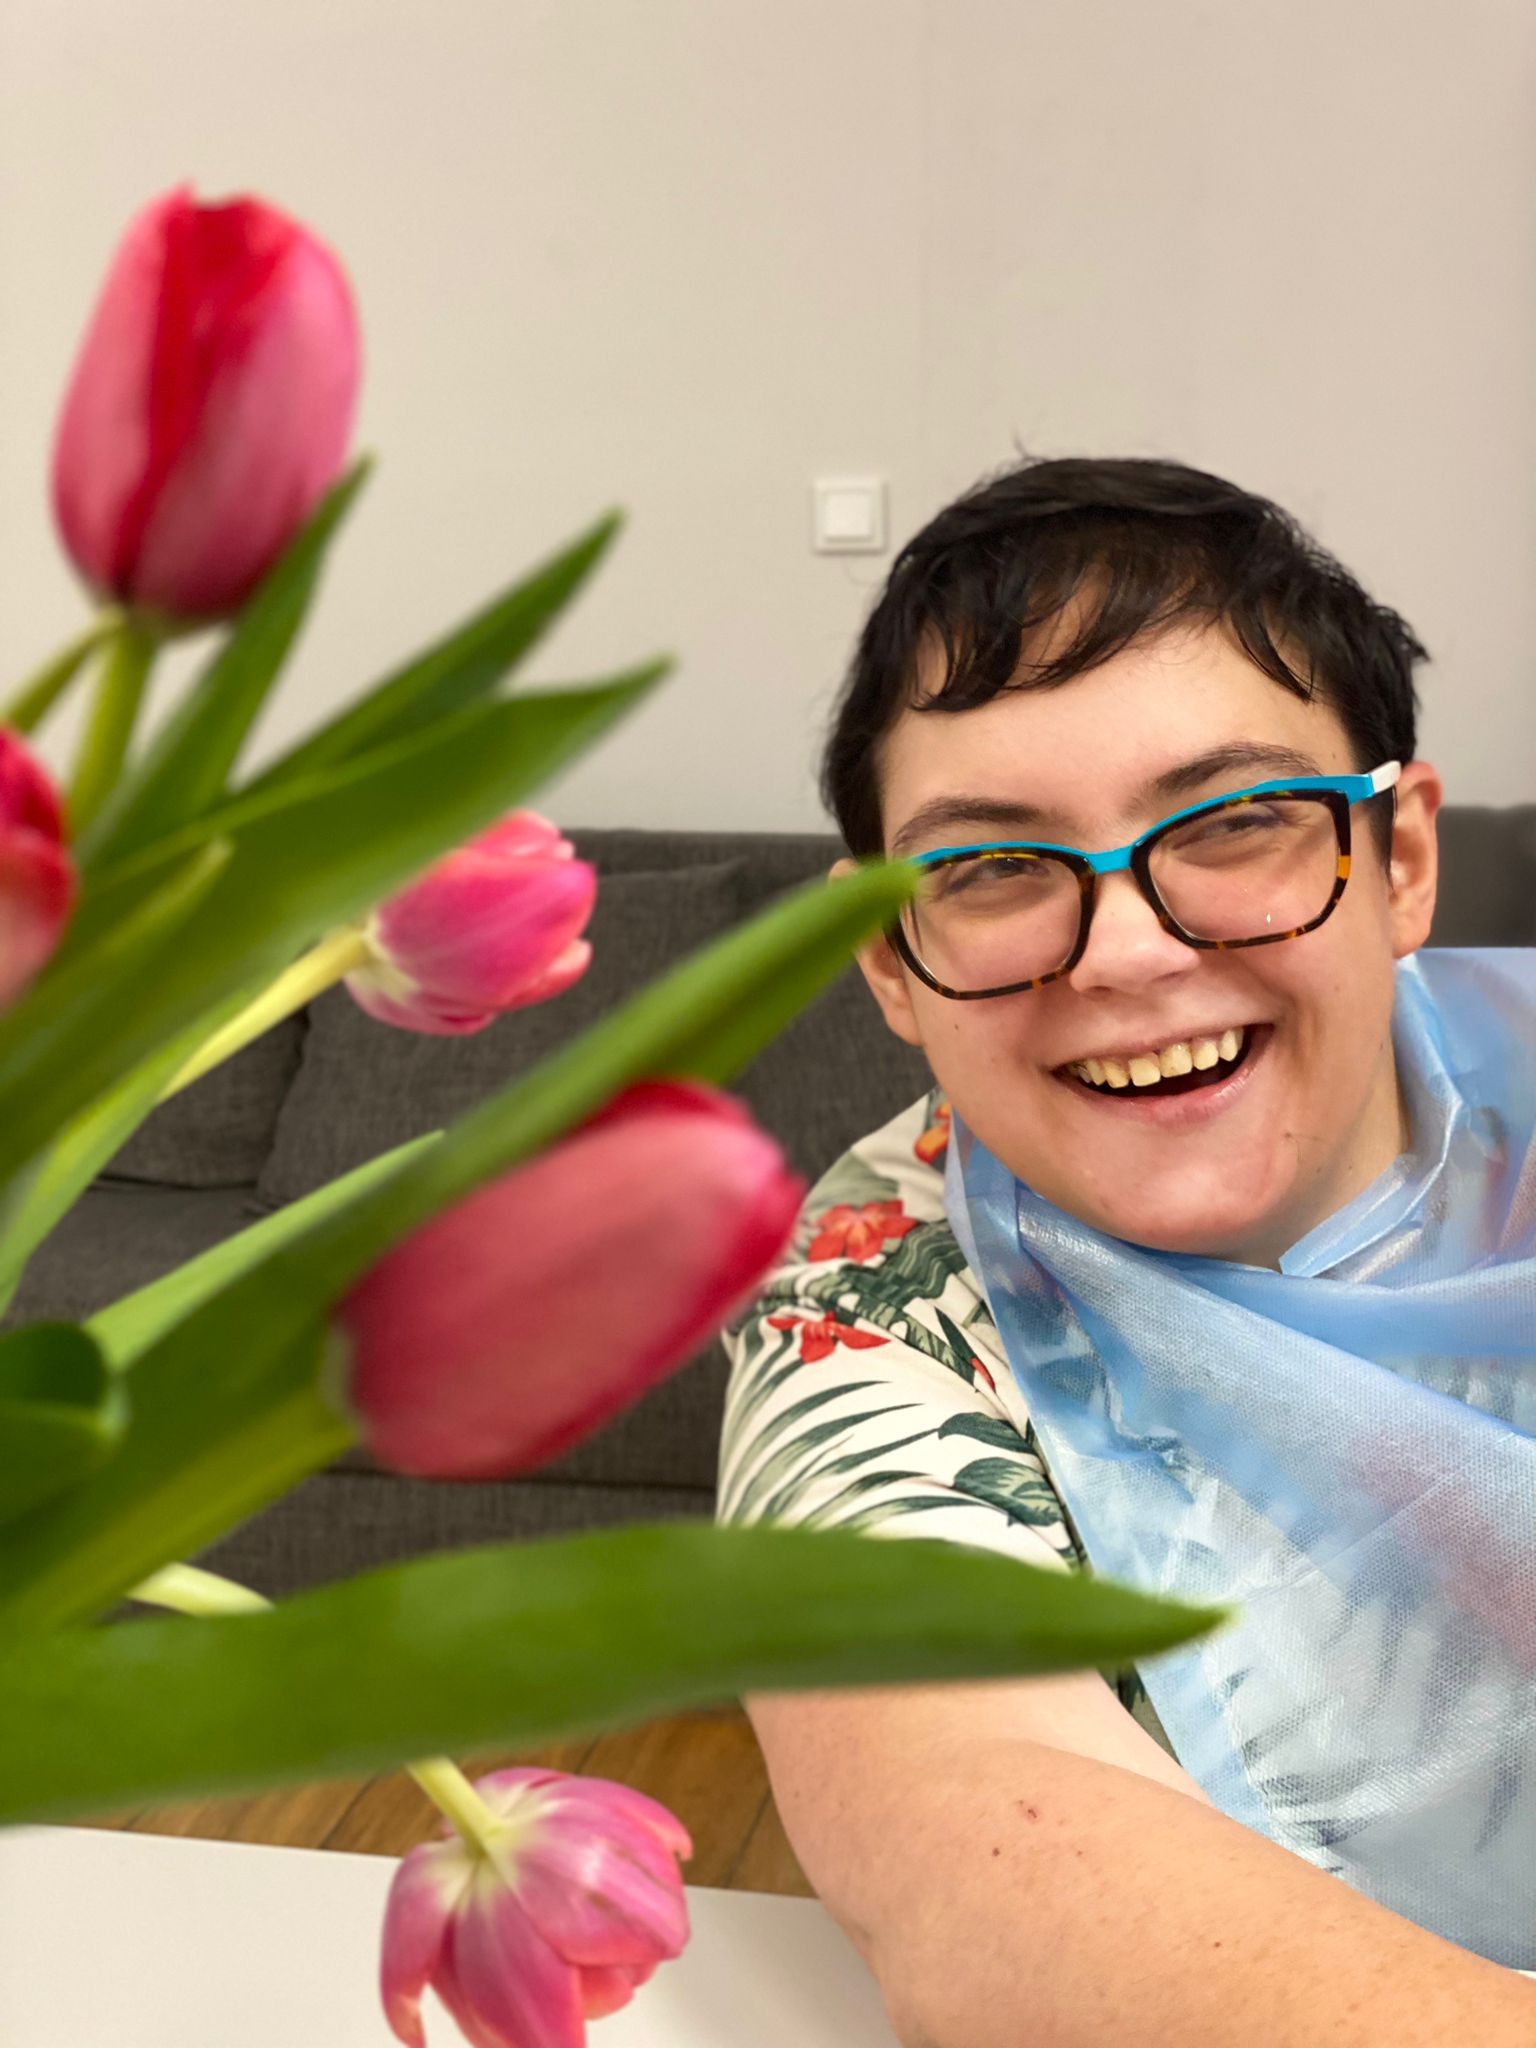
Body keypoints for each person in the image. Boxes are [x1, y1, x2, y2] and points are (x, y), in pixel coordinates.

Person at [715, 457, 1536, 2046]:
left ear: (1401, 862)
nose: (1130, 953)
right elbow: (989, 1869)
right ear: (887, 960)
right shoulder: (869, 1313)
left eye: (1236, 824)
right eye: (990, 870)